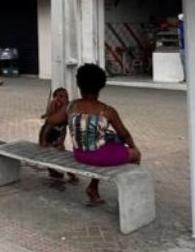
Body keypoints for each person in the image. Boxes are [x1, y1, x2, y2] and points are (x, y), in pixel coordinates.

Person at [45, 64, 140, 206]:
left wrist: (51, 107)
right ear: (101, 85)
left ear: (79, 85)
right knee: (134, 154)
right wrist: (133, 148)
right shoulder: (107, 111)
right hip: (99, 156)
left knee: (110, 141)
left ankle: (93, 189)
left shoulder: (70, 106)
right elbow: (124, 134)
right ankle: (131, 201)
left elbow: (51, 120)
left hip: (80, 154)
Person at [39, 87, 76, 186]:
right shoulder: (53, 105)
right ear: (55, 97)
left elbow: (64, 130)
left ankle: (71, 173)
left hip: (58, 132)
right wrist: (43, 141)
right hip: (47, 133)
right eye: (61, 96)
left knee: (62, 155)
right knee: (46, 154)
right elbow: (47, 128)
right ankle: (52, 170)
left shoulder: (66, 110)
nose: (64, 98)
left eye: (66, 96)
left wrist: (61, 142)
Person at [177, 14, 186, 83]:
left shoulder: (181, 27)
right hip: (185, 47)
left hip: (183, 47)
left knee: (184, 63)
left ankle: (185, 78)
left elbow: (181, 37)